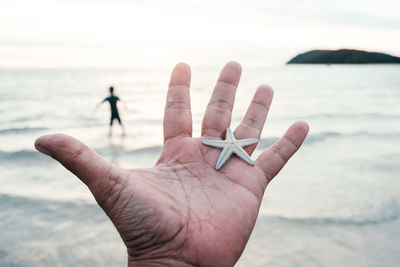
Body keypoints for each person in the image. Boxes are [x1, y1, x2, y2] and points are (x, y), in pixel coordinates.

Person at [35, 62, 309, 267]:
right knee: (116, 124)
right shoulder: (113, 97)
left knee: (115, 125)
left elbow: (111, 102)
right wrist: (166, 256)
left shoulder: (113, 97)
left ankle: (119, 132)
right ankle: (120, 131)